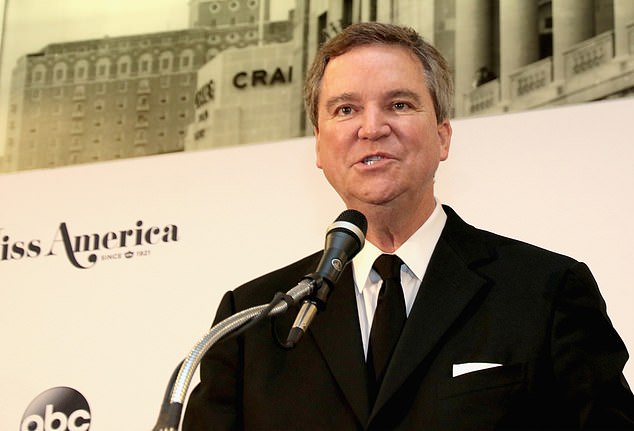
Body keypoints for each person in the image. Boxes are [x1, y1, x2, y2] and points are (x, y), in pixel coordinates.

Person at [183, 22, 634, 429]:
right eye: (345, 110)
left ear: (442, 136)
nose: (371, 128)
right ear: (318, 147)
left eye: (398, 104)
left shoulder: (546, 291)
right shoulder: (252, 322)